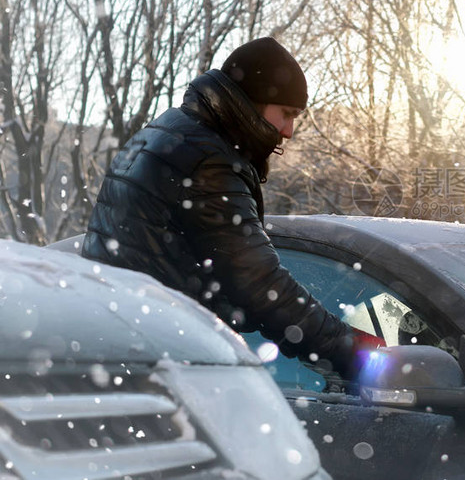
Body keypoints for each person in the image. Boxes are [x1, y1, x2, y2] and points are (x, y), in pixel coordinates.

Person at [83, 37, 379, 385]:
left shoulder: (169, 131)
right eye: (285, 114)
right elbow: (259, 286)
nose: (289, 131)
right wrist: (354, 352)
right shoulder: (209, 160)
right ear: (250, 102)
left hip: (119, 349)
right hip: (160, 365)